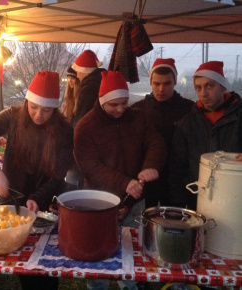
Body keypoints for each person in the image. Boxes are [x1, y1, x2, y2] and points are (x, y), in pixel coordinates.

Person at [0, 71, 73, 289]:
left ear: (55, 108)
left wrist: (37, 197)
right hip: (10, 202)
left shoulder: (63, 130)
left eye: (46, 110)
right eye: (33, 107)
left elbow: (57, 174)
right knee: (21, 264)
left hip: (44, 205)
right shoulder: (13, 115)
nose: (38, 115)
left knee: (46, 269)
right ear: (26, 101)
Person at [74, 70, 167, 290]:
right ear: (102, 100)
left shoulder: (138, 117)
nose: (120, 109)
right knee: (97, 252)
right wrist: (123, 182)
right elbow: (89, 166)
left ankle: (131, 285)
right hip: (100, 203)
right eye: (113, 105)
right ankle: (98, 285)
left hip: (134, 201)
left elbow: (156, 143)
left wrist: (150, 166)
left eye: (124, 103)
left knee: (132, 250)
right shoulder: (85, 127)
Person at [169, 61, 242, 210]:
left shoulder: (239, 115)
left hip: (235, 198)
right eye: (198, 87)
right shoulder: (187, 123)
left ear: (222, 86)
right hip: (198, 199)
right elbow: (177, 165)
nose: (203, 93)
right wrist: (179, 203)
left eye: (210, 86)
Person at [131, 58, 194, 208]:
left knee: (173, 226)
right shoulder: (137, 110)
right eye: (157, 84)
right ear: (150, 82)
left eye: (167, 84)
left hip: (177, 180)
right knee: (144, 225)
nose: (161, 89)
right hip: (145, 178)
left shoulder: (189, 110)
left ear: (175, 83)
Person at [71, 49, 106, 127]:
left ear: (84, 71)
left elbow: (81, 117)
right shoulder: (100, 82)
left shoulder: (88, 89)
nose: (77, 75)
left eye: (77, 72)